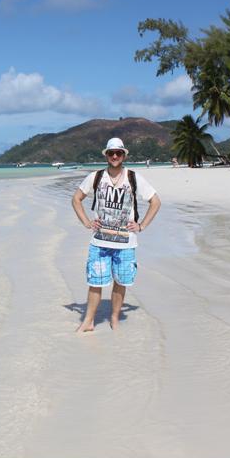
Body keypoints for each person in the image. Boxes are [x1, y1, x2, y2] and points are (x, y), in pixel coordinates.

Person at [71, 137, 161, 332]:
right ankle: (88, 321)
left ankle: (114, 318)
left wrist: (142, 225)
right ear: (106, 155)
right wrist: (86, 222)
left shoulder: (134, 178)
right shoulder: (95, 177)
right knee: (95, 282)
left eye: (118, 153)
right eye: (111, 153)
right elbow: (76, 199)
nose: (114, 156)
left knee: (121, 282)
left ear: (124, 155)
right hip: (99, 241)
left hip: (126, 242)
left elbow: (156, 201)